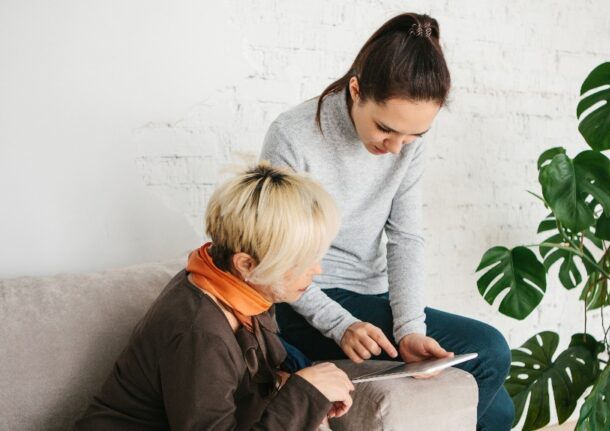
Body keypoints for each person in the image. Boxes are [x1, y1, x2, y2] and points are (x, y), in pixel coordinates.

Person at [260, 12, 514, 430]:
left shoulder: (405, 142)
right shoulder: (293, 136)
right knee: (490, 350)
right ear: (356, 90)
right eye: (385, 129)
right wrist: (340, 325)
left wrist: (410, 328)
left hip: (370, 299)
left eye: (414, 136)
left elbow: (406, 239)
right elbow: (276, 257)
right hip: (302, 301)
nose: (396, 148)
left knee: (501, 409)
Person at [76, 164, 353, 430]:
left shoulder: (239, 289)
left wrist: (300, 394)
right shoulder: (200, 332)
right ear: (246, 264)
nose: (317, 270)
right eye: (302, 261)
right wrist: (303, 395)